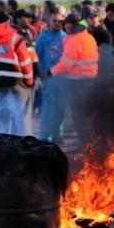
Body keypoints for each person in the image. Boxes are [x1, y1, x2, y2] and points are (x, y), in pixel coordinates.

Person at [0, 11, 34, 136]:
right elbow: (25, 61)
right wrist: (29, 80)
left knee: (1, 117)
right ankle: (24, 146)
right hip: (16, 82)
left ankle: (2, 145)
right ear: (7, 23)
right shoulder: (15, 38)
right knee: (21, 117)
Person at [50, 14, 99, 145]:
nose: (64, 26)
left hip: (78, 83)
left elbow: (66, 64)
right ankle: (91, 144)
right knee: (88, 115)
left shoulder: (74, 40)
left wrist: (51, 72)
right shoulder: (89, 37)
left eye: (65, 23)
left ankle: (86, 145)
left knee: (79, 116)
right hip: (91, 81)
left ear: (71, 24)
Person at [36, 10, 67, 143]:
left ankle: (57, 135)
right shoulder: (43, 37)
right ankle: (45, 136)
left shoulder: (65, 37)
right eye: (54, 21)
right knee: (48, 108)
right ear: (49, 22)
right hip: (48, 78)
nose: (57, 23)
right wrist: (40, 73)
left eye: (60, 21)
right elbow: (36, 56)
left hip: (63, 78)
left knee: (61, 108)